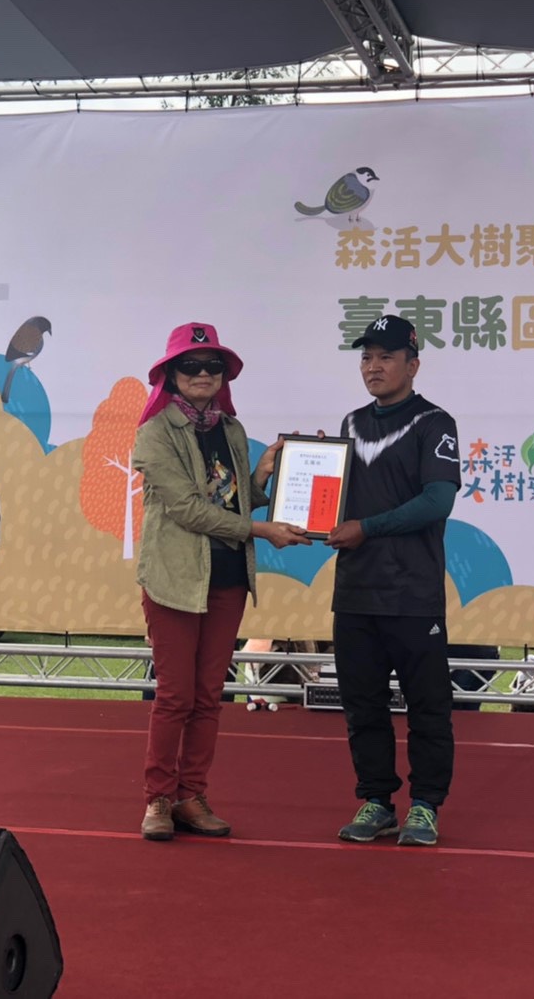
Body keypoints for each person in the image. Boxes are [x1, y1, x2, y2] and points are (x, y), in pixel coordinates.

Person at [132, 322, 310, 841]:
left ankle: (191, 796)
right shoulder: (154, 433)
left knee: (209, 696)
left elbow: (233, 501)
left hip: (227, 577)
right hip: (175, 580)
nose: (203, 374)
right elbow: (189, 510)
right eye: (190, 365)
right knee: (175, 696)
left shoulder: (231, 429)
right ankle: (158, 799)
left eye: (213, 366)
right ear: (171, 374)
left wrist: (264, 476)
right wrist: (261, 529)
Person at [325, 315, 462, 847]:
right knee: (362, 706)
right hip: (355, 591)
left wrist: (367, 527)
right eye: (366, 357)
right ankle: (377, 801)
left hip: (412, 593)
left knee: (428, 707)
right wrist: (308, 471)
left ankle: (425, 805)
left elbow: (437, 501)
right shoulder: (351, 422)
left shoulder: (435, 423)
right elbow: (335, 498)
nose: (373, 367)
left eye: (386, 357)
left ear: (413, 365)